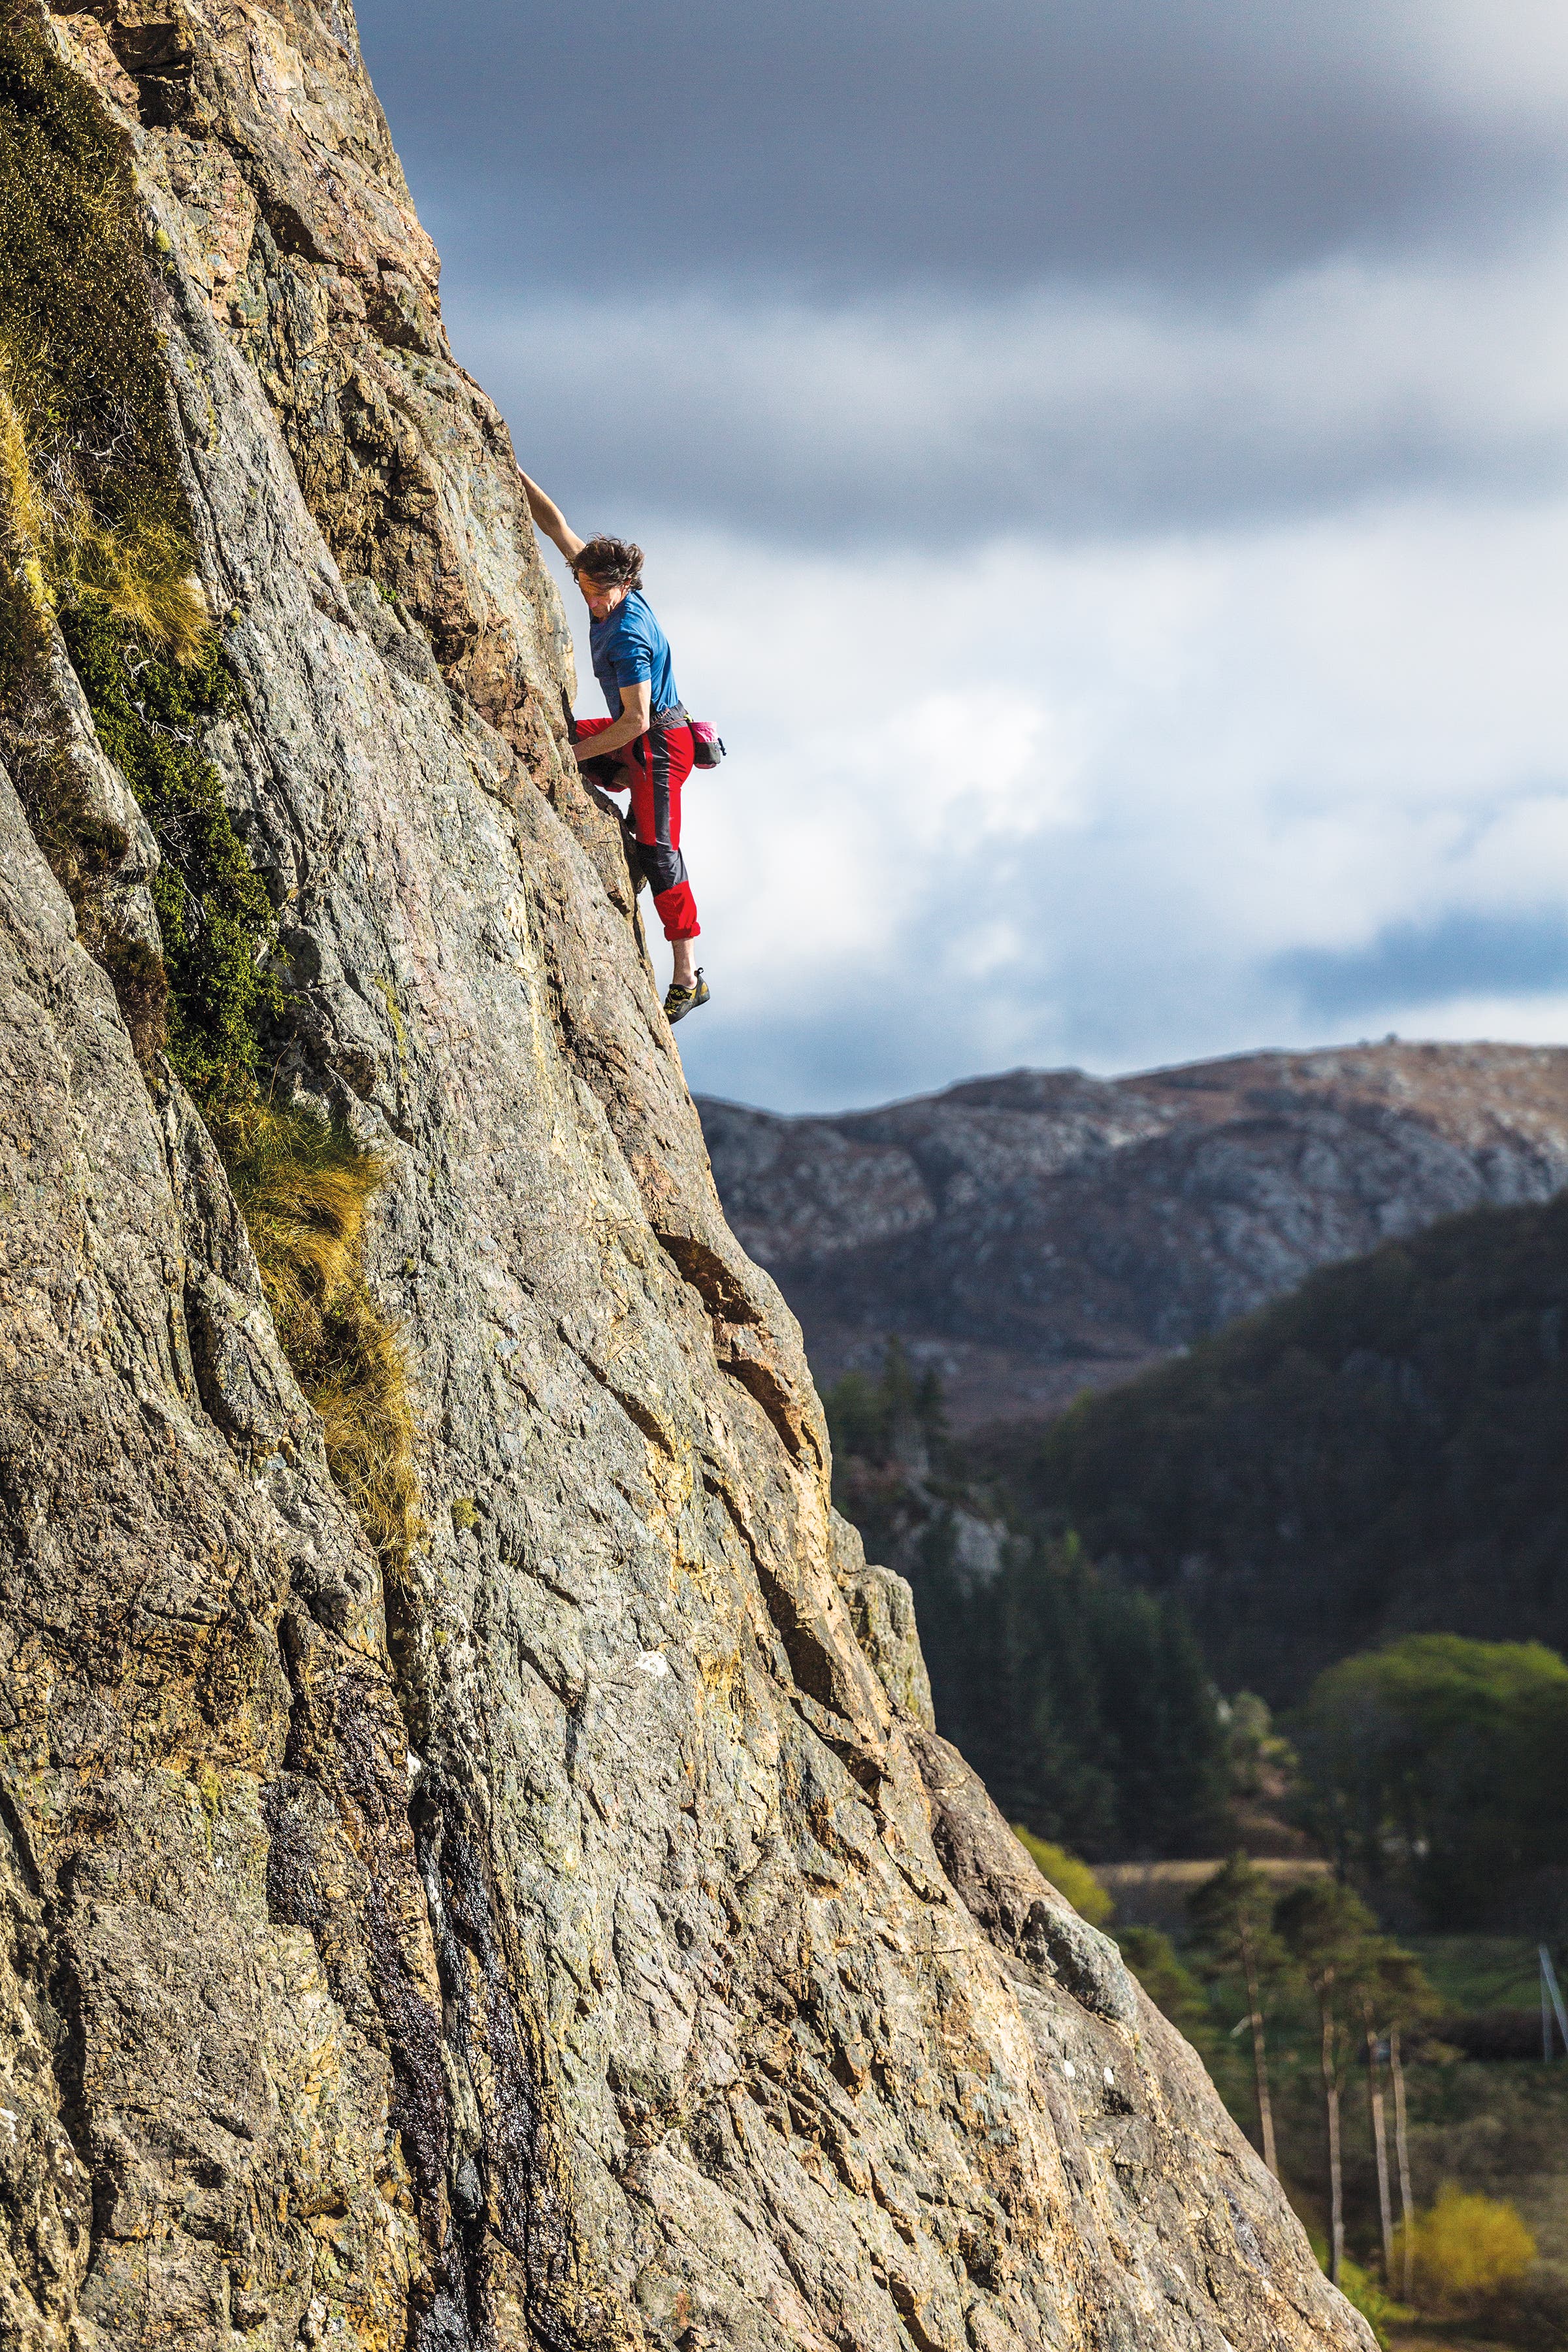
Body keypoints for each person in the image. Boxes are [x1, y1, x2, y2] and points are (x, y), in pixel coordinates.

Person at [517, 469, 709, 1024]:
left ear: (624, 587)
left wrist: (569, 759)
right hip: (640, 741)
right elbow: (558, 528)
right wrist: (513, 464)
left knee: (658, 851)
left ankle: (688, 975)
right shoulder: (597, 578)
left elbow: (635, 720)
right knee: (545, 731)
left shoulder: (627, 632)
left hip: (658, 747)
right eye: (587, 590)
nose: (593, 603)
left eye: (602, 595)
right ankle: (627, 805)